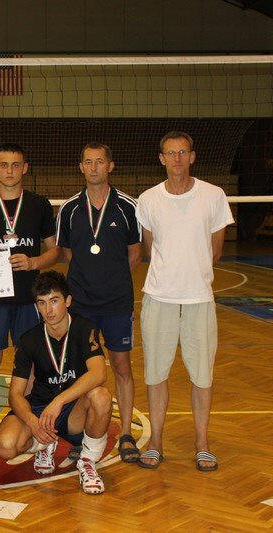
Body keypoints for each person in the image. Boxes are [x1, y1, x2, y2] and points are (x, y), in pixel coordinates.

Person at [135, 131, 234, 471]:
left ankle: (202, 444)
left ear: (192, 157)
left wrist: (192, 276)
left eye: (182, 152)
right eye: (170, 153)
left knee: (202, 376)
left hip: (199, 300)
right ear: (161, 158)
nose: (176, 158)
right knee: (155, 375)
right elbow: (151, 248)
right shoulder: (148, 199)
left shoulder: (214, 195)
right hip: (158, 299)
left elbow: (216, 250)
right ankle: (156, 443)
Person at [0, 144, 59, 453]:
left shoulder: (39, 205)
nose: (9, 170)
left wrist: (33, 262)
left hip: (29, 300)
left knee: (28, 365)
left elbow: (55, 251)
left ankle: (24, 421)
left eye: (15, 165)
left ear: (25, 168)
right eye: (4, 165)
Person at [56, 142, 142, 463]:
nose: (94, 167)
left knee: (121, 366)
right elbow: (67, 254)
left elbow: (135, 253)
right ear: (81, 167)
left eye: (100, 162)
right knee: (82, 371)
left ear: (110, 166)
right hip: (81, 305)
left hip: (117, 303)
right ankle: (79, 434)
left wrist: (110, 280)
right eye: (88, 162)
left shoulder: (128, 207)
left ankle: (126, 434)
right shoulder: (69, 209)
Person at [0, 271, 111, 495]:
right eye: (42, 303)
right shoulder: (28, 340)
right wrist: (33, 422)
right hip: (39, 407)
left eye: (54, 301)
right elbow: (15, 394)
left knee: (101, 396)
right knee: (5, 445)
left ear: (68, 301)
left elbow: (99, 373)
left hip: (73, 410)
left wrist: (59, 401)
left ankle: (87, 461)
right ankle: (44, 443)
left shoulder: (84, 328)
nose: (48, 310)